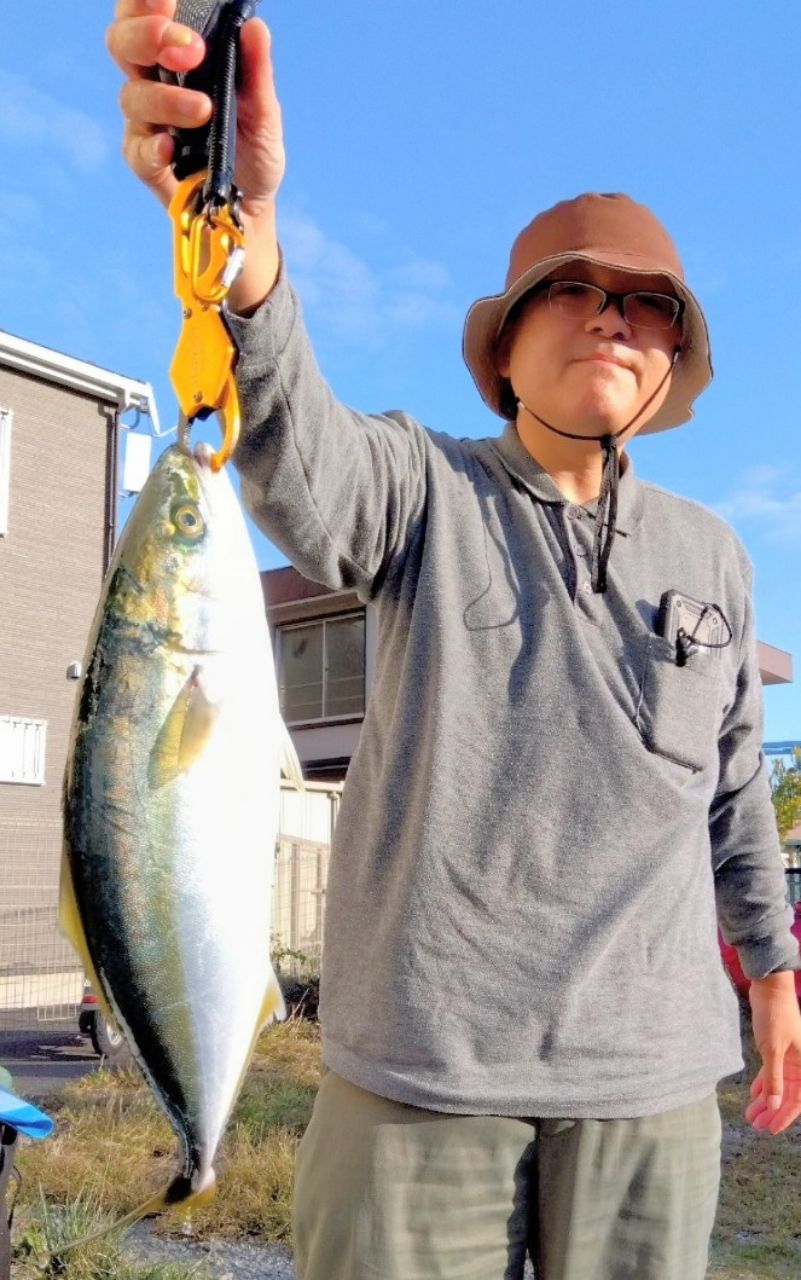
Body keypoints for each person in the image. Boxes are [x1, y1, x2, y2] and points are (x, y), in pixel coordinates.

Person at [107, 5, 801, 1278]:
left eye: (647, 304)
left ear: (675, 356)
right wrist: (246, 250)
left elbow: (736, 797)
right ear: (509, 342)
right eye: (575, 291)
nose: (611, 317)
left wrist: (772, 966)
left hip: (654, 1081)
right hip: (419, 1075)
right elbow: (296, 447)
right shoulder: (422, 485)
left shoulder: (716, 554)